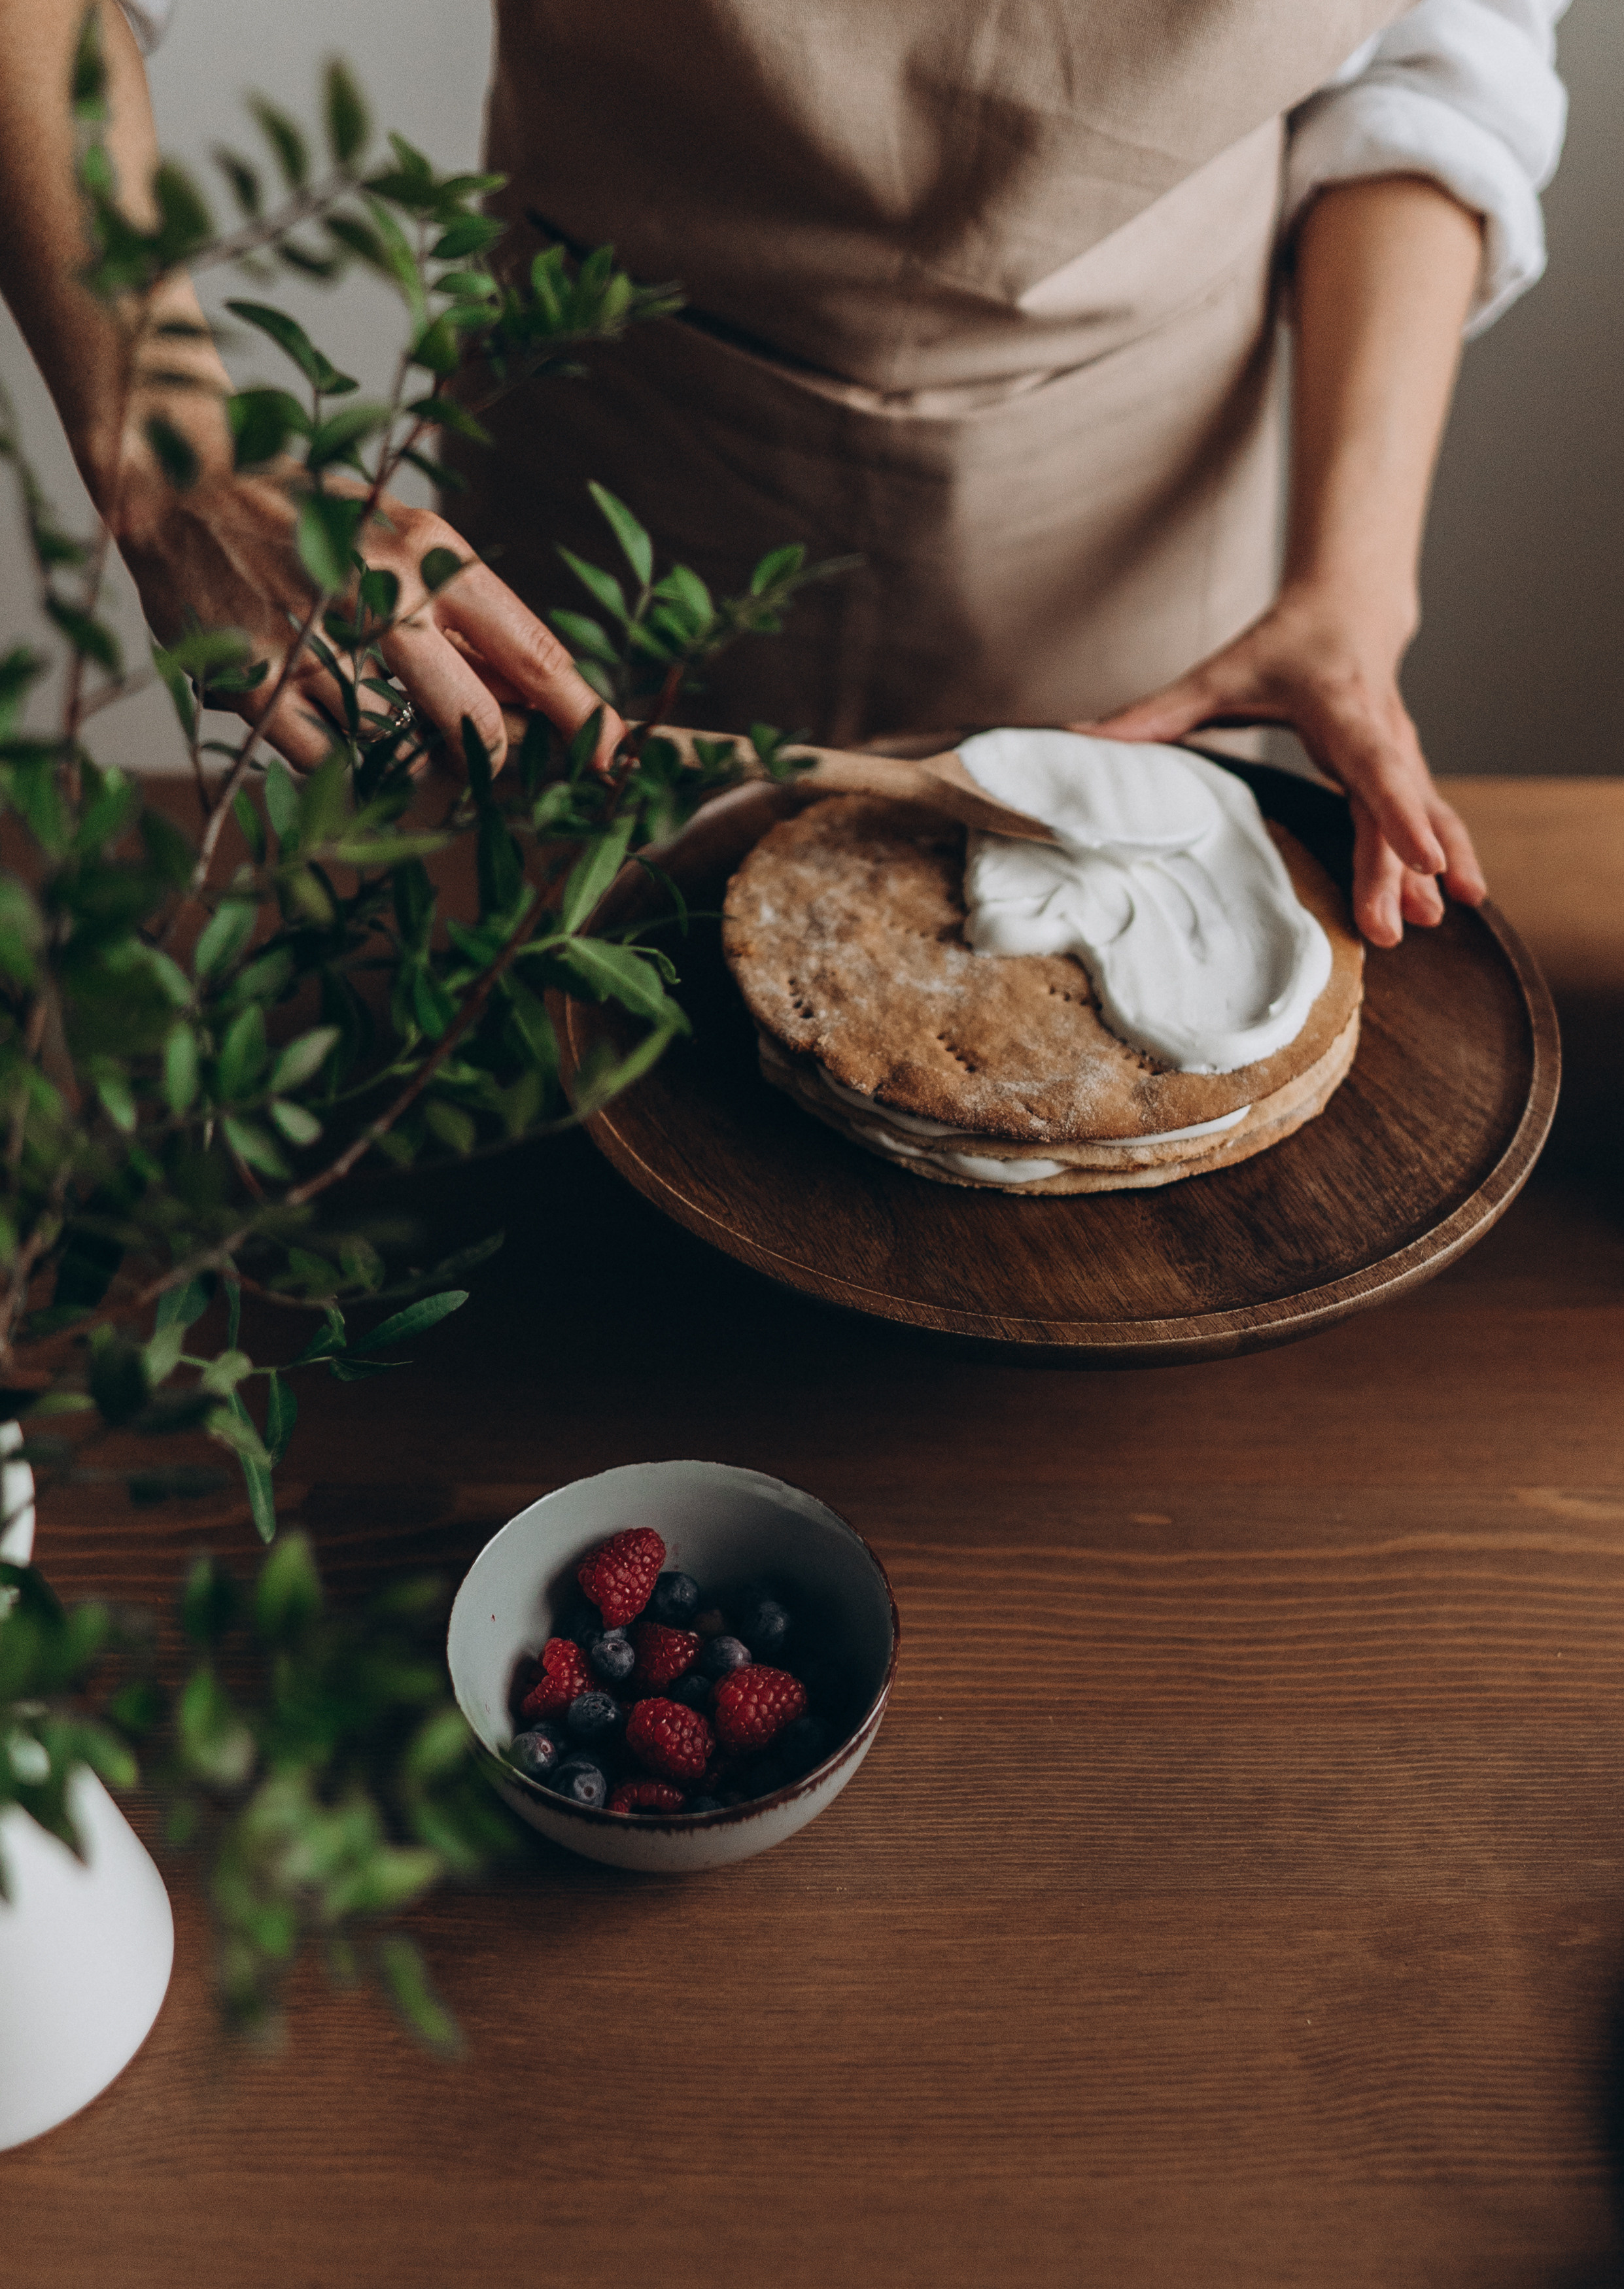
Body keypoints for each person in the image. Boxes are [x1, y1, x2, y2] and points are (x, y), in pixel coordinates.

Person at [0, 1, 1569, 947]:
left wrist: (1354, 585)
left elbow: (1438, 61)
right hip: (587, 488)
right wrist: (166, 449)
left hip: (1142, 544)